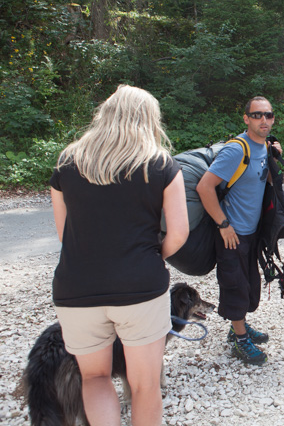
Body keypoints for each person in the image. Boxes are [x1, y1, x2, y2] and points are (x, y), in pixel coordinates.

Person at [49, 84, 189, 426]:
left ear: (105, 115)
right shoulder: (159, 164)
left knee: (94, 378)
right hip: (140, 286)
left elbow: (64, 234)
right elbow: (180, 233)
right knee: (144, 384)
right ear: (149, 120)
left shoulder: (68, 161)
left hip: (77, 288)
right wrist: (155, 256)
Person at [196, 96, 281, 366]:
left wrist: (274, 155)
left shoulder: (264, 147)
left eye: (268, 115)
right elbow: (204, 187)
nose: (263, 120)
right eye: (257, 115)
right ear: (246, 118)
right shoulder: (236, 149)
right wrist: (224, 225)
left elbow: (264, 182)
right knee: (235, 285)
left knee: (249, 283)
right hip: (231, 231)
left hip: (251, 232)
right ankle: (240, 340)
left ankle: (238, 327)